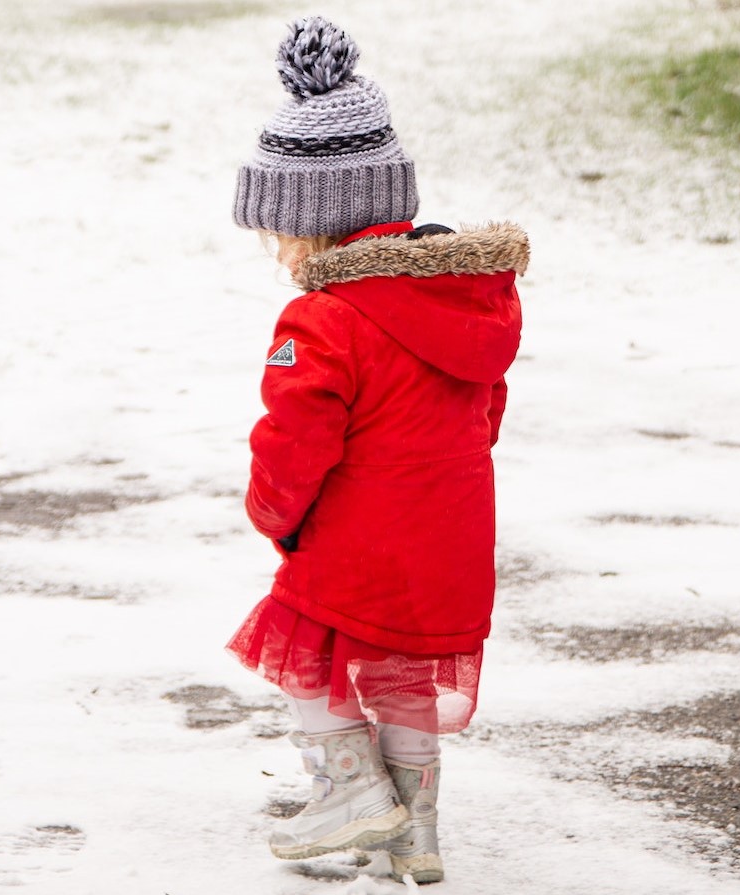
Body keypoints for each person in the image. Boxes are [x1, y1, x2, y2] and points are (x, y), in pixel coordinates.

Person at [225, 16, 528, 884]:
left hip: (355, 543)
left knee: (293, 651)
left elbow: (294, 443)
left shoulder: (323, 318)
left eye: (279, 232)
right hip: (451, 543)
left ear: (316, 223)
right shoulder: (466, 298)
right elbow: (486, 408)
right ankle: (415, 834)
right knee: (402, 681)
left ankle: (353, 789)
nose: (278, 253)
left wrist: (273, 516)